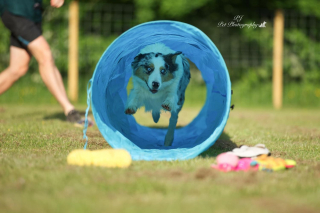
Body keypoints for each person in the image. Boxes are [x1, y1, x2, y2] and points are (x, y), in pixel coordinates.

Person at [0, 0, 81, 122]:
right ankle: (69, 110)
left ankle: (69, 108)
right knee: (45, 54)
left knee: (18, 68)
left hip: (32, 13)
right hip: (16, 9)